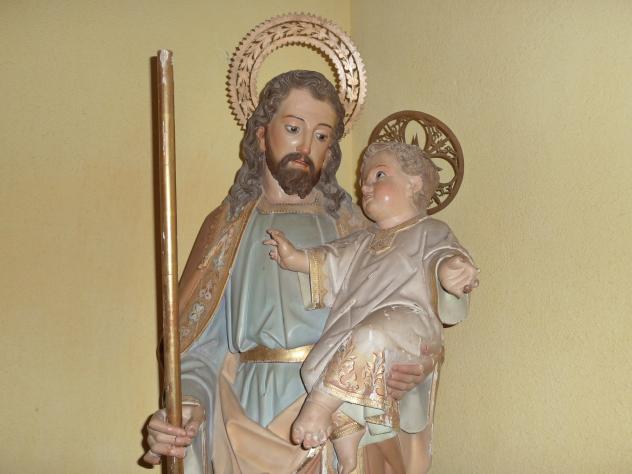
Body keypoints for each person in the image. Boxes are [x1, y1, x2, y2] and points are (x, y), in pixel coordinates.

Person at [142, 71, 433, 473]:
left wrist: (411, 371)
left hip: (337, 410)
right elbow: (198, 347)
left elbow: (405, 314)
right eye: (294, 128)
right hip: (248, 415)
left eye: (321, 136)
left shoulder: (356, 231)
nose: (306, 147)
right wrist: (186, 406)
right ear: (262, 135)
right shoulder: (228, 227)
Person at [265, 141, 479, 473]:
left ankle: (319, 408)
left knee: (370, 337)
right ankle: (348, 449)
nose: (365, 185)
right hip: (361, 331)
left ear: (414, 184)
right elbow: (330, 260)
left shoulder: (430, 230)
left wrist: (452, 272)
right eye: (363, 180)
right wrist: (295, 258)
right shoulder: (362, 240)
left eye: (379, 175)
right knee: (315, 367)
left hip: (408, 325)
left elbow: (445, 257)